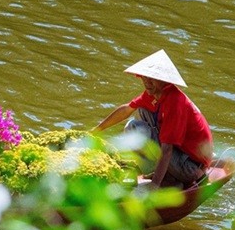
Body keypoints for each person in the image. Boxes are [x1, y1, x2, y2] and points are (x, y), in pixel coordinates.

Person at [91, 49, 213, 188]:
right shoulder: (154, 94)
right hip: (180, 155)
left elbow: (167, 148)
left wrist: (155, 184)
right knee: (140, 112)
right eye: (144, 77)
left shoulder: (174, 102)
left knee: (136, 129)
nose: (147, 82)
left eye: (152, 78)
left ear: (163, 80)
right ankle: (165, 175)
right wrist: (96, 130)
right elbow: (127, 109)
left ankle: (168, 177)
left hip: (191, 166)